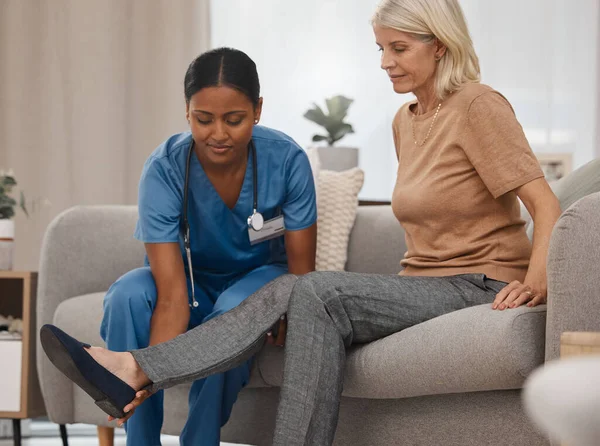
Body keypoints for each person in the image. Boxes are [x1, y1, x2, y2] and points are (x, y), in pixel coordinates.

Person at [40, 1, 562, 445]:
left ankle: (135, 368)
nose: (385, 62)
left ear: (440, 46)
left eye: (398, 49)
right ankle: (135, 371)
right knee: (308, 296)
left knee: (313, 291)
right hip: (423, 286)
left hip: (479, 283)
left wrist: (536, 282)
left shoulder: (477, 105)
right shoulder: (408, 121)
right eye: (380, 48)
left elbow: (546, 205)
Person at [65, 47, 318, 446]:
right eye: (204, 119)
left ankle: (200, 440)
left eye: (234, 120)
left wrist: (289, 314)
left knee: (235, 312)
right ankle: (139, 435)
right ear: (187, 111)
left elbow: (303, 272)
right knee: (128, 295)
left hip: (260, 279)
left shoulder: (287, 160)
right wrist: (151, 373)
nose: (218, 134)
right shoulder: (165, 168)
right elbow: (170, 294)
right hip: (189, 281)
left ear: (258, 110)